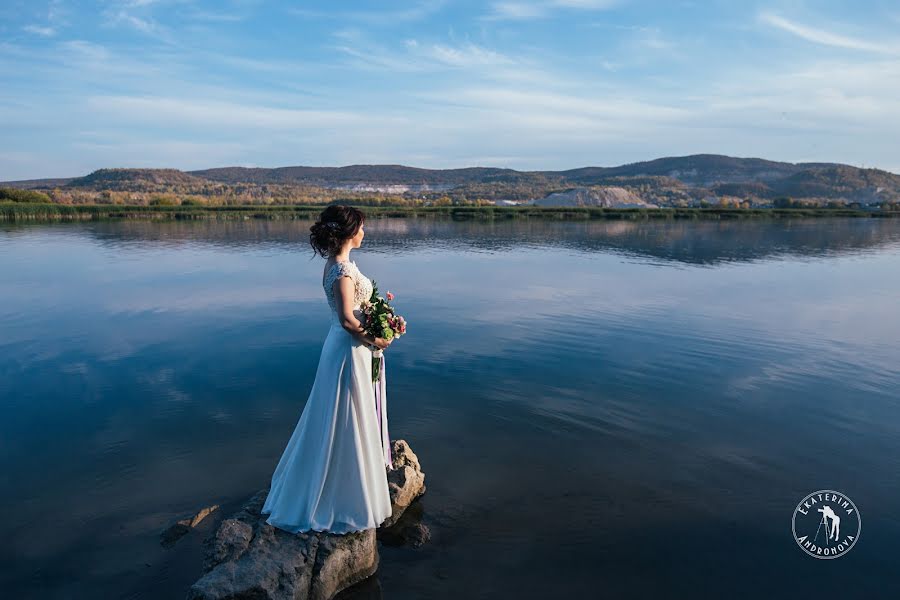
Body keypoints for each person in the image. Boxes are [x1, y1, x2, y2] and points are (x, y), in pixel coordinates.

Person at [261, 205, 394, 534]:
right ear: (350, 232)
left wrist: (383, 319)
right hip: (347, 349)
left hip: (342, 346)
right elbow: (349, 319)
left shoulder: (336, 265)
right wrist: (378, 338)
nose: (365, 232)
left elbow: (358, 311)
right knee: (345, 414)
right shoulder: (342, 271)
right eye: (361, 227)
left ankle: (340, 480)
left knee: (339, 415)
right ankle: (340, 496)